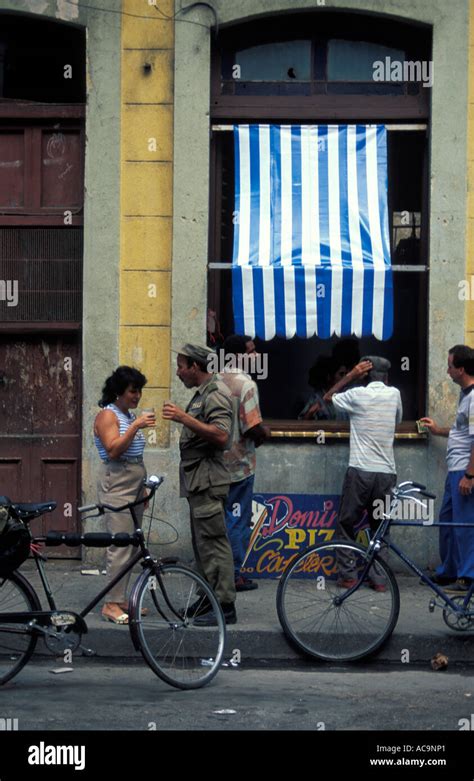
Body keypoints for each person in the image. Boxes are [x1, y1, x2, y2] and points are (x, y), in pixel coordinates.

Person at [162, 343, 237, 625]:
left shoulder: (215, 394)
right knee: (203, 546)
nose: (178, 372)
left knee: (215, 544)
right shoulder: (201, 395)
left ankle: (225, 606)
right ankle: (208, 599)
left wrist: (183, 418)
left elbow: (221, 436)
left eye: (181, 366)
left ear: (195, 366)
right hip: (198, 480)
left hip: (208, 480)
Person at [324, 356, 403, 590]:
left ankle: (348, 576)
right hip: (386, 473)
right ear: (386, 377)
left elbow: (328, 398)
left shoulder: (356, 395)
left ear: (364, 376)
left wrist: (349, 377)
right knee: (381, 528)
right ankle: (379, 579)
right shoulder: (395, 394)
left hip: (360, 471)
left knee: (347, 524)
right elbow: (397, 421)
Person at [94, 366, 156, 624]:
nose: (137, 395)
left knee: (132, 544)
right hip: (117, 482)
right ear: (119, 391)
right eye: (133, 390)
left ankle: (121, 600)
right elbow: (113, 450)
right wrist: (137, 426)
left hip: (133, 480)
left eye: (140, 390)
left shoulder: (127, 415)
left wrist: (142, 484)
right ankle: (110, 604)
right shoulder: (108, 416)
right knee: (120, 543)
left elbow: (134, 454)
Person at [420, 345, 474, 591]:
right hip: (456, 469)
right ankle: (449, 571)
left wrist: (470, 475)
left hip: (465, 470)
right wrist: (437, 429)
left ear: (461, 369)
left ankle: (467, 577)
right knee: (448, 521)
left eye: (450, 365)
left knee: (463, 525)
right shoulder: (466, 394)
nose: (447, 370)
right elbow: (462, 432)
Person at [219, 334, 270, 592]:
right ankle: (235, 574)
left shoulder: (215, 381)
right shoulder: (245, 384)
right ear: (238, 355)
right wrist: (265, 433)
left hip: (216, 466)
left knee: (219, 522)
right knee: (238, 521)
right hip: (240, 466)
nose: (255, 356)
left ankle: (218, 573)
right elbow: (252, 427)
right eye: (251, 352)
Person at [298, 356, 349, 421]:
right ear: (329, 376)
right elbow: (302, 423)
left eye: (346, 374)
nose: (344, 378)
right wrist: (310, 413)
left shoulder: (346, 395)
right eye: (341, 374)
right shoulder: (316, 399)